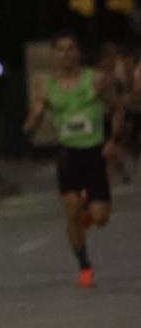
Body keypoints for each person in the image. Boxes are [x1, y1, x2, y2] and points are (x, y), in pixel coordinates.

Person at [24, 31, 122, 288]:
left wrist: (113, 140)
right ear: (54, 55)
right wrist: (31, 124)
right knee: (70, 211)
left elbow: (116, 109)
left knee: (101, 218)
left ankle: (89, 210)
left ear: (79, 52)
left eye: (71, 49)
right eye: (60, 50)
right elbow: (34, 115)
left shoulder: (97, 80)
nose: (66, 54)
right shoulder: (46, 86)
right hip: (68, 154)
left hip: (94, 152)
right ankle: (84, 266)